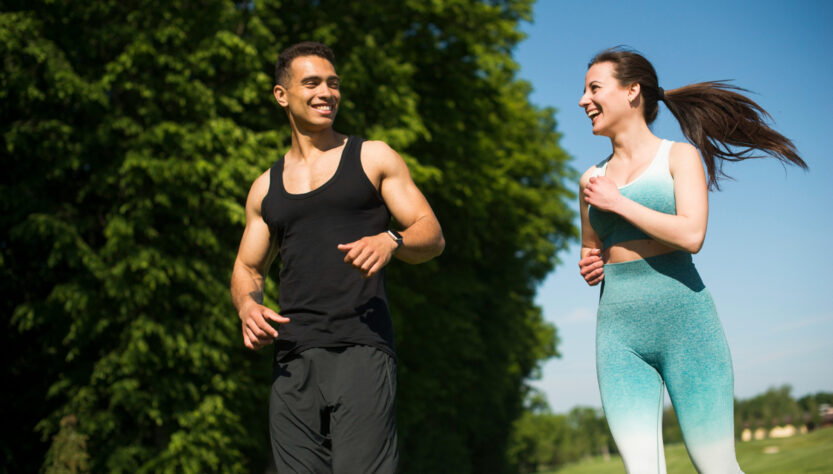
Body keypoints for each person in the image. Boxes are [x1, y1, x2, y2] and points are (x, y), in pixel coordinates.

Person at [576, 47, 806, 473]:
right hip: (619, 337)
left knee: (715, 466)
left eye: (594, 88)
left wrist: (619, 202)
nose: (582, 99)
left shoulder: (679, 156)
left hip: (687, 327)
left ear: (631, 91)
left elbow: (691, 234)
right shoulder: (589, 178)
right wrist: (591, 263)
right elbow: (592, 247)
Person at [230, 41, 444, 473]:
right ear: (282, 94)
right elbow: (247, 267)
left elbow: (431, 233)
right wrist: (247, 304)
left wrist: (392, 240)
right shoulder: (264, 187)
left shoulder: (372, 157)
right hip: (292, 358)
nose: (326, 92)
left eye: (333, 83)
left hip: (362, 347)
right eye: (312, 83)